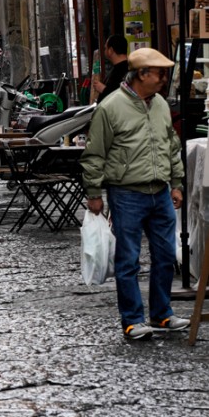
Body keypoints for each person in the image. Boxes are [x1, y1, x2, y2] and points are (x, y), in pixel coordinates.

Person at [81, 47, 187, 340]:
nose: (164, 79)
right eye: (160, 74)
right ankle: (132, 320)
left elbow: (171, 145)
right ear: (142, 74)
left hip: (160, 191)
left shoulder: (161, 104)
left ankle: (162, 314)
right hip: (126, 192)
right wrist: (94, 192)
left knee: (166, 256)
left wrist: (176, 182)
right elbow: (95, 153)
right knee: (128, 260)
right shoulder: (111, 106)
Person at [94, 34, 129, 104]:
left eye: (105, 48)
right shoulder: (124, 67)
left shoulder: (124, 70)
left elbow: (123, 95)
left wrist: (103, 89)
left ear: (111, 50)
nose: (104, 51)